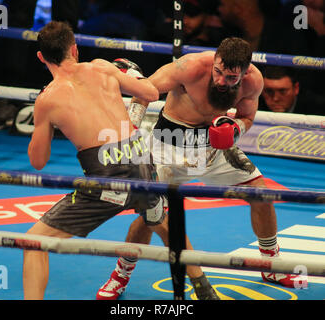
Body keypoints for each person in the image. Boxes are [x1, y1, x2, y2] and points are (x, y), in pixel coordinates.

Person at [97, 37, 308, 300]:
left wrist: (234, 129)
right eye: (218, 72)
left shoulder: (254, 81)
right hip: (168, 147)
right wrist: (132, 129)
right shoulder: (190, 67)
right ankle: (120, 274)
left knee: (260, 193)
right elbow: (144, 91)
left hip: (213, 148)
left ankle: (272, 266)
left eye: (230, 77)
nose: (221, 81)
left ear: (244, 72)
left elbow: (247, 117)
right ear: (215, 61)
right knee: (150, 215)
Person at [23, 20, 218, 300]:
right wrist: (129, 76)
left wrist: (42, 120)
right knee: (160, 220)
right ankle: (203, 287)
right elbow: (151, 93)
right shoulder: (102, 67)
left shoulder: (48, 99)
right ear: (74, 49)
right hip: (142, 163)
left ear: (41, 58)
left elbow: (38, 162)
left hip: (108, 177)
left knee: (34, 243)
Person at [260, 66, 325, 116]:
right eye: (269, 91)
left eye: (283, 91)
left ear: (296, 88)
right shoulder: (253, 105)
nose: (275, 98)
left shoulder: (317, 108)